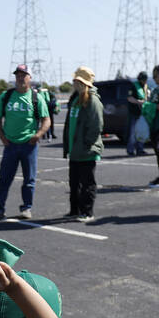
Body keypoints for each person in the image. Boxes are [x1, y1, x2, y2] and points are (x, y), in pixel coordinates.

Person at [0, 64, 50, 221]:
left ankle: (26, 208)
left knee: (29, 180)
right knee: (4, 178)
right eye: (18, 75)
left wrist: (39, 134)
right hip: (10, 145)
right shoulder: (6, 96)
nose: (20, 78)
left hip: (29, 145)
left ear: (30, 78)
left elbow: (46, 119)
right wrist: (2, 136)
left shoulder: (36, 97)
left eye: (23, 75)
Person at [62, 66, 103, 222]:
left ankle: (87, 211)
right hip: (75, 150)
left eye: (76, 80)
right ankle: (75, 210)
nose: (74, 83)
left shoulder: (93, 100)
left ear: (83, 82)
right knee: (74, 183)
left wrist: (87, 144)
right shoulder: (75, 99)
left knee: (87, 183)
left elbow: (96, 125)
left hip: (86, 150)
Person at [126, 70, 149, 156]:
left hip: (143, 114)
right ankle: (130, 150)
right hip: (134, 113)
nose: (144, 81)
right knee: (133, 133)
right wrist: (139, 102)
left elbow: (146, 97)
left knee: (142, 132)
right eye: (143, 80)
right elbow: (129, 98)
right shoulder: (133, 86)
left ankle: (140, 149)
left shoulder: (146, 86)